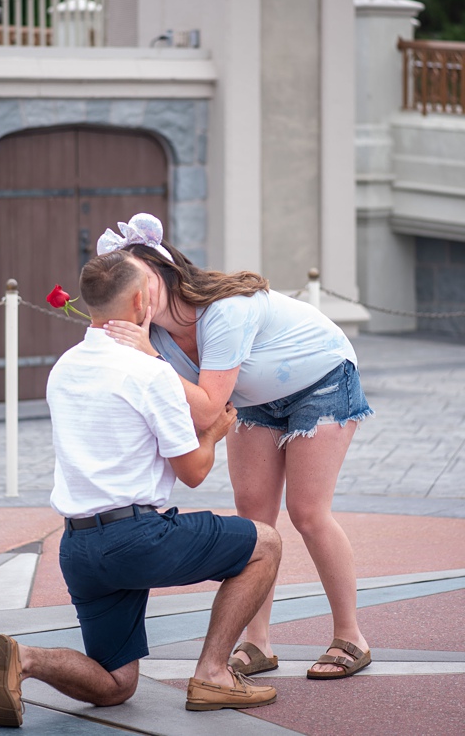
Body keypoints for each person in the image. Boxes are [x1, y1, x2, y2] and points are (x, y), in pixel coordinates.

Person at [0, 249, 282, 726]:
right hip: (138, 540)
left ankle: (26, 660)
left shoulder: (63, 368)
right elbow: (194, 472)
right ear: (142, 302)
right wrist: (213, 432)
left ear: (89, 303)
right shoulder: (150, 372)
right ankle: (213, 673)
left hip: (78, 547)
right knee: (265, 542)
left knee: (116, 685)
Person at [101, 213, 374, 680]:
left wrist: (147, 356)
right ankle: (258, 642)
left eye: (144, 278)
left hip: (320, 379)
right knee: (254, 521)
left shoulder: (222, 311)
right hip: (251, 398)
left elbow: (206, 409)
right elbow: (188, 406)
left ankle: (351, 637)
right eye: (129, 284)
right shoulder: (158, 336)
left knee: (308, 512)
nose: (139, 294)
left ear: (167, 271)